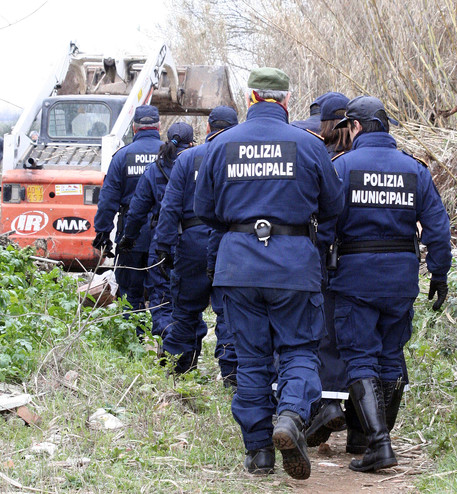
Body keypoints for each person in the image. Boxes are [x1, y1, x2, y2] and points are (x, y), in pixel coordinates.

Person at [194, 67, 344, 479]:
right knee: (298, 350)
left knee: (251, 360)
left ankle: (259, 453)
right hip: (294, 266)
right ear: (286, 100)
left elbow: (203, 209)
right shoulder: (309, 145)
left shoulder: (220, 145)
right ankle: (291, 417)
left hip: (238, 265)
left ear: (251, 98)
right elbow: (334, 205)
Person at [330, 96, 452, 472]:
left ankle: (378, 443)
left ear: (355, 127)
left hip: (354, 277)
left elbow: (323, 224)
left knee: (359, 355)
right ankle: (371, 438)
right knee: (391, 354)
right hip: (401, 279)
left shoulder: (342, 167)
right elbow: (438, 227)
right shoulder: (414, 170)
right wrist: (439, 273)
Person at [154, 106, 239, 381]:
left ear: (207, 129)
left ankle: (180, 368)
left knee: (185, 309)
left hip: (190, 244)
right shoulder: (238, 156)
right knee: (228, 312)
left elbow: (170, 206)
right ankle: (232, 374)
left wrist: (163, 247)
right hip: (229, 242)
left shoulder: (188, 158)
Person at [119, 122, 195, 342]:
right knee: (190, 301)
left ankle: (169, 343)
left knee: (161, 299)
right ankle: (185, 352)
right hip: (196, 241)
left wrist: (128, 238)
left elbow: (137, 210)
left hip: (163, 242)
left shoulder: (155, 169)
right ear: (191, 143)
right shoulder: (202, 163)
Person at [305, 93, 351, 447]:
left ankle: (325, 404)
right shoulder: (353, 156)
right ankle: (355, 420)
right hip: (360, 261)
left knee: (317, 333)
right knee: (348, 338)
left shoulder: (318, 154)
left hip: (324, 255)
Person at [93, 105, 163, 337]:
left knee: (130, 292)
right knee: (162, 293)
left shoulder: (122, 156)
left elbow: (107, 200)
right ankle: (166, 346)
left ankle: (135, 345)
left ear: (134, 127)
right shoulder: (172, 155)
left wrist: (103, 233)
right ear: (159, 126)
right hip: (165, 232)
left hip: (130, 236)